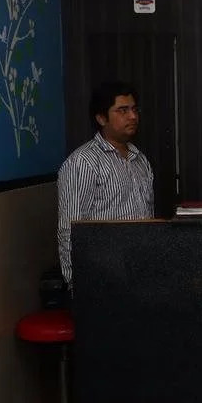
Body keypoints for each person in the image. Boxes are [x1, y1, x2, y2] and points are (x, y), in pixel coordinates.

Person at [57, 80, 154, 286]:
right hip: (102, 279)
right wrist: (77, 284)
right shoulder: (83, 162)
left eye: (134, 109)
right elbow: (70, 231)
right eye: (123, 110)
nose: (133, 116)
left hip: (141, 274)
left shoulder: (140, 160)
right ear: (101, 118)